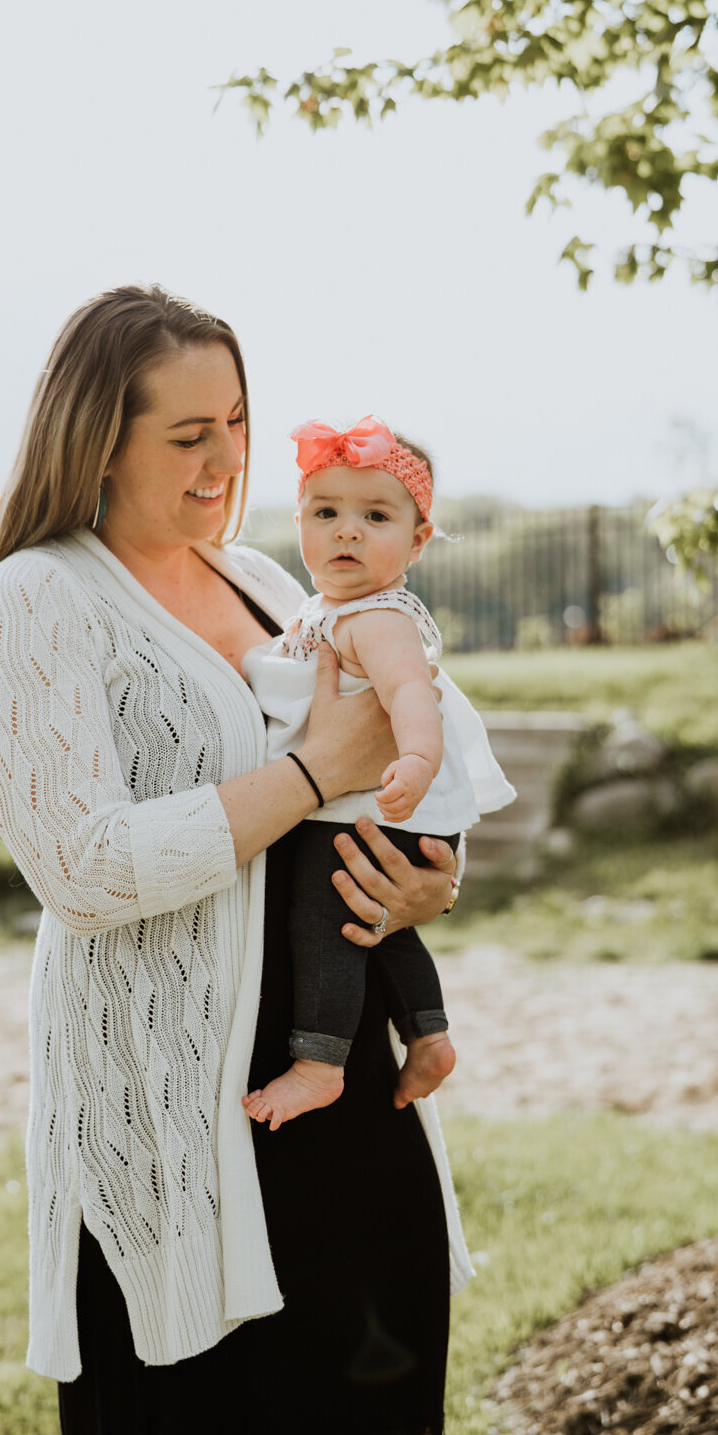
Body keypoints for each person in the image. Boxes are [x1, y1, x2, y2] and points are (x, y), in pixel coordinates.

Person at [0, 285, 473, 1435]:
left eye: (236, 420)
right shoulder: (36, 599)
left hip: (346, 1085)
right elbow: (81, 867)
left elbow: (391, 754)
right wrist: (302, 773)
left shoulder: (267, 583)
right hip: (180, 1123)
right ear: (95, 435)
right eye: (188, 432)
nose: (225, 457)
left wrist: (421, 880)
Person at [242, 416, 516, 1130]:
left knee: (321, 911)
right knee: (376, 924)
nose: (346, 532)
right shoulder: (326, 610)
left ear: (418, 540)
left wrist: (418, 760)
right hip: (390, 812)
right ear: (297, 520)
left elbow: (408, 694)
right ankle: (426, 1034)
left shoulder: (377, 619)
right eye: (324, 513)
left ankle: (319, 1064)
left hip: (389, 804)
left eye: (374, 515)